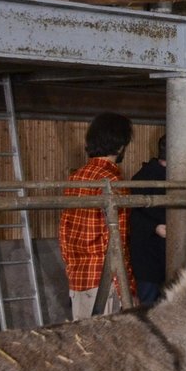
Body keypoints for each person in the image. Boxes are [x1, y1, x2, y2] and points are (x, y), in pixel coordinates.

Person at [60, 111, 136, 320]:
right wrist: (126, 287)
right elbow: (116, 243)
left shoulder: (75, 178)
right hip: (105, 282)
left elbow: (64, 231)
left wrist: (72, 269)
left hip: (78, 277)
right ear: (120, 145)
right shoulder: (113, 183)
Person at [129, 134, 167, 306]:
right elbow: (132, 217)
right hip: (149, 260)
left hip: (168, 256)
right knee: (148, 309)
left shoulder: (173, 177)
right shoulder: (143, 178)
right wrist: (155, 227)